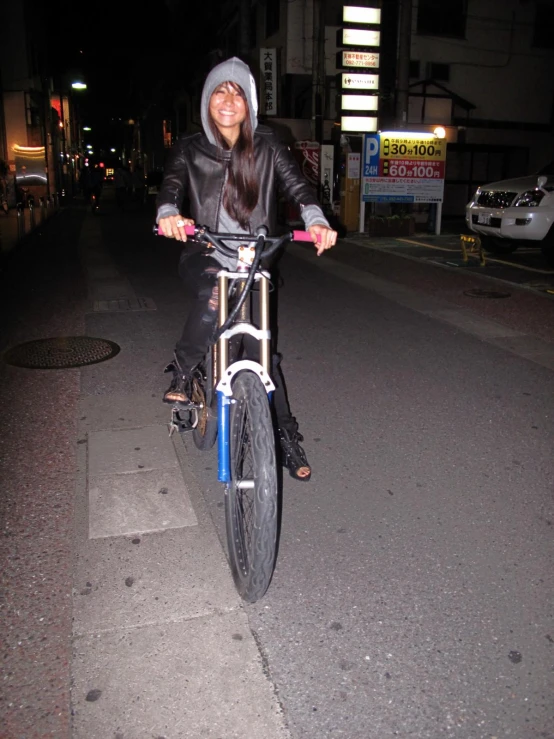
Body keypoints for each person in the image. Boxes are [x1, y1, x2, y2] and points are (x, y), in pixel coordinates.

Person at [156, 56, 337, 482]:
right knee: (214, 294)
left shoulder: (270, 144)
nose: (228, 98)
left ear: (249, 105)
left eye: (238, 92)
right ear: (207, 100)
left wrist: (315, 218)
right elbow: (172, 185)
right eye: (220, 89)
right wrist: (168, 212)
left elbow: (297, 185)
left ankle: (286, 437)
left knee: (262, 357)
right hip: (204, 253)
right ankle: (184, 368)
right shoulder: (189, 147)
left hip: (254, 255)